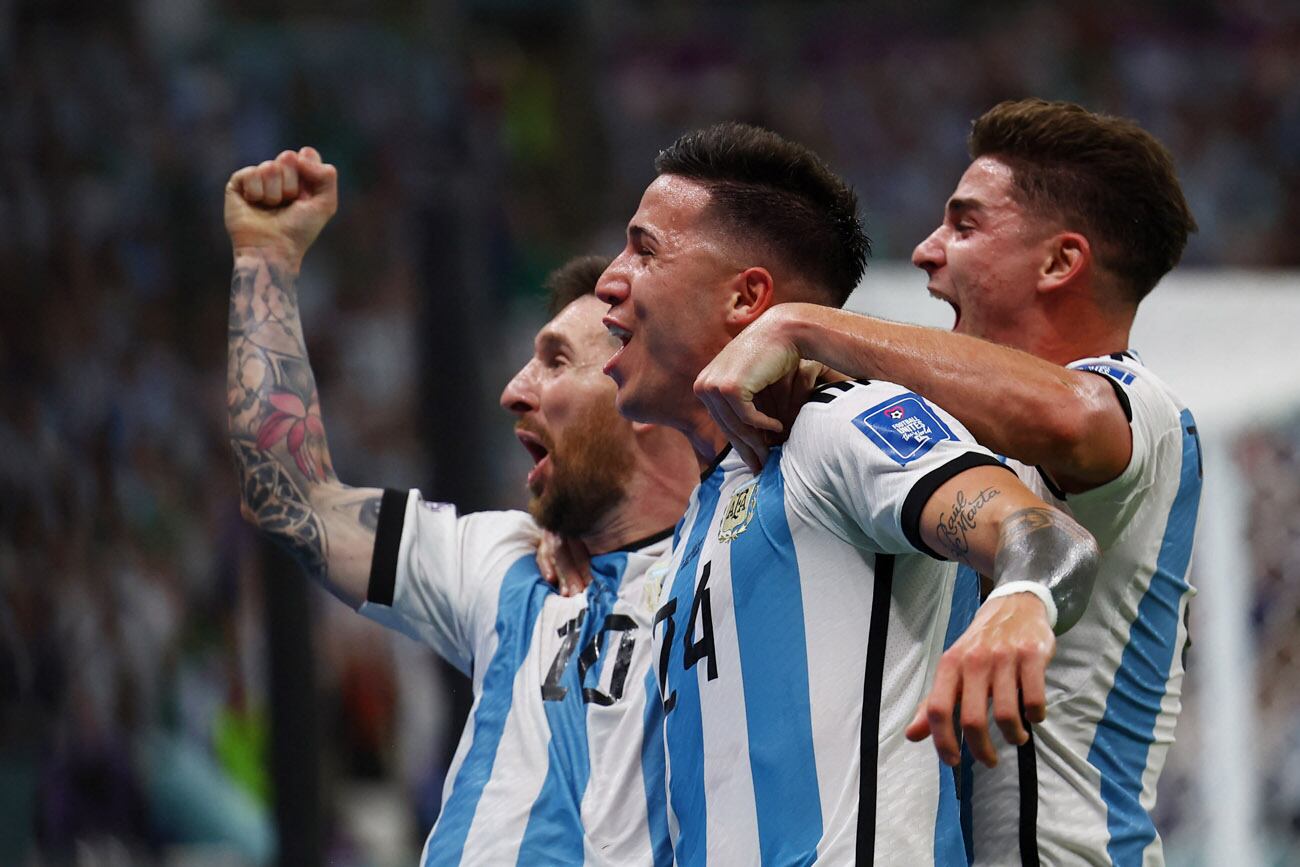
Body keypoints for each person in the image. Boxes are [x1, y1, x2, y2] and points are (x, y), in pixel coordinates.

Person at [694, 98, 1202, 865]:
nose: (928, 251)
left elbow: (1072, 417)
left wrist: (802, 323)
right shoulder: (942, 435)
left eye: (964, 226)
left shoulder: (1144, 409)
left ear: (1061, 262)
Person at [595, 122, 1101, 865]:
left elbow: (1047, 537)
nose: (610, 277)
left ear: (747, 297)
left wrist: (1020, 602)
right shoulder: (703, 515)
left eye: (644, 249)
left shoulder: (840, 424)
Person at [224, 147, 699, 865]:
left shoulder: (737, 558)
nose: (514, 388)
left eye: (555, 359)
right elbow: (287, 496)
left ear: (638, 383)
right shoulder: (501, 559)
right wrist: (265, 257)